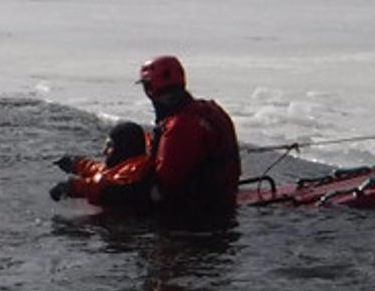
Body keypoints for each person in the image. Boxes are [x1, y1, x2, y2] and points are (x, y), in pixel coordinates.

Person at [137, 55, 243, 212]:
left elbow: (164, 186)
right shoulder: (210, 110)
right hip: (223, 201)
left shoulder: (180, 126)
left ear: (150, 89)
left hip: (193, 216)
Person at [50, 120, 154, 209]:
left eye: (110, 146)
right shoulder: (129, 164)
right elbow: (106, 172)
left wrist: (73, 187)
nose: (103, 152)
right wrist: (76, 163)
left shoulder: (135, 171)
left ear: (123, 149)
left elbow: (107, 187)